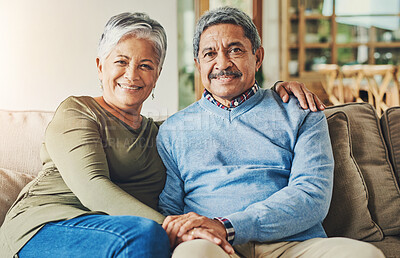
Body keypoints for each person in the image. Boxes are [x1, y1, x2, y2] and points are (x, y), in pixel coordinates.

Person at [0, 11, 323, 258]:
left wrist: (279, 92)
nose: (132, 75)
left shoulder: (162, 133)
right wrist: (179, 230)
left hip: (120, 230)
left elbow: (229, 117)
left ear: (157, 76)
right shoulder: (78, 112)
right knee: (145, 236)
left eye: (146, 65)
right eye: (121, 62)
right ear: (101, 66)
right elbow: (94, 189)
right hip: (46, 226)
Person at [157, 7, 385, 258]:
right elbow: (171, 209)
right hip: (212, 245)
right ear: (198, 64)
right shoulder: (173, 130)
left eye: (235, 50)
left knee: (363, 255)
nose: (222, 63)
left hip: (292, 244)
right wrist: (188, 232)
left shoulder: (301, 111)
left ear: (258, 57)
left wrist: (229, 226)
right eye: (209, 53)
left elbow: (312, 195)